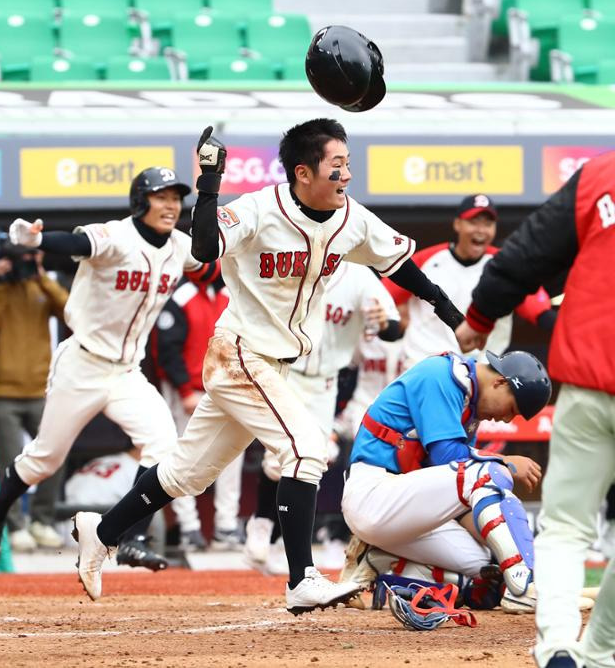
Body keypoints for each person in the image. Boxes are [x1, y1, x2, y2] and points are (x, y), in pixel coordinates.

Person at [71, 118, 465, 614]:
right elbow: (204, 247)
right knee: (305, 448)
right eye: (336, 164)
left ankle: (100, 531)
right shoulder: (261, 207)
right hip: (239, 352)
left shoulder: (350, 218)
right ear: (303, 172)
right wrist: (209, 185)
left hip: (272, 363)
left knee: (184, 474)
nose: (346, 173)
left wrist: (444, 304)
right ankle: (302, 577)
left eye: (347, 162)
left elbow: (396, 260)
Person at [0, 166, 218, 573]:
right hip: (83, 364)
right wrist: (33, 239)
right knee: (44, 460)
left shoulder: (180, 246)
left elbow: (213, 258)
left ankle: (132, 539)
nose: (170, 206)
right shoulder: (115, 235)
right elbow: (73, 241)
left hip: (126, 372)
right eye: (161, 197)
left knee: (163, 445)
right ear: (141, 201)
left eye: (176, 199)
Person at [455, 152, 615, 668]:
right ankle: (600, 652)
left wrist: (479, 315)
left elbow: (524, 256)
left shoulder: (602, 173)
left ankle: (559, 647)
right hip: (591, 368)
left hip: (592, 373)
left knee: (566, 526)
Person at [340, 348, 551, 611]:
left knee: (488, 565)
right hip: (373, 493)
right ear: (500, 382)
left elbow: (457, 494)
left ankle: (379, 564)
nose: (507, 419)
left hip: (405, 511)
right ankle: (523, 588)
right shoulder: (441, 375)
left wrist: (504, 547)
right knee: (491, 472)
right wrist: (505, 461)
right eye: (511, 409)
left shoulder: (470, 408)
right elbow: (448, 458)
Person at [243, 261, 401, 574]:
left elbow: (393, 327)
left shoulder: (358, 277)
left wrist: (383, 322)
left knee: (315, 460)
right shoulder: (293, 261)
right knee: (281, 458)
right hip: (286, 372)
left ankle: (277, 540)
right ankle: (262, 522)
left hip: (325, 385)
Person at [384, 194, 556, 370]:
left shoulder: (506, 265)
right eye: (473, 222)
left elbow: (540, 312)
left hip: (482, 370)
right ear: (457, 224)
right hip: (425, 364)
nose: (481, 230)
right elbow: (381, 295)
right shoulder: (427, 258)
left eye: (488, 224)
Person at [0, 242, 69, 553]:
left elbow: (70, 312)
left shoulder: (43, 283)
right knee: (9, 461)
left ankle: (42, 520)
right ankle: (15, 526)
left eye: (33, 256)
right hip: (1, 391)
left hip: (40, 389)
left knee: (56, 452)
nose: (28, 262)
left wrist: (40, 275)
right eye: (23, 258)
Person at [153, 276, 245, 552]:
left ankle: (226, 526)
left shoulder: (230, 295)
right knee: (184, 456)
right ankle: (188, 527)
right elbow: (166, 351)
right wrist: (183, 391)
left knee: (232, 456)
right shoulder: (181, 296)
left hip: (226, 388)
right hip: (189, 391)